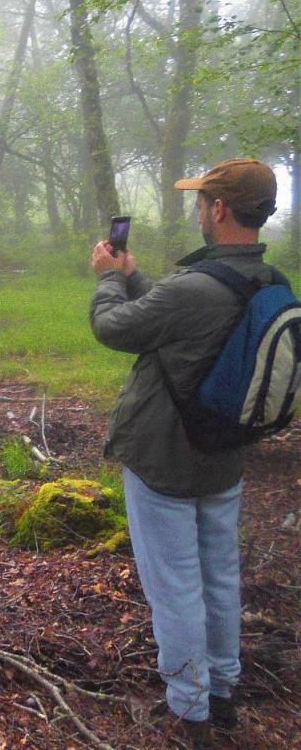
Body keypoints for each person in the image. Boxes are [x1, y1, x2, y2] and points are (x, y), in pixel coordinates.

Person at [88, 157, 280, 748]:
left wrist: (107, 278)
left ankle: (189, 712)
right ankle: (221, 690)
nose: (199, 210)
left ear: (218, 209)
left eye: (201, 202)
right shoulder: (268, 282)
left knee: (174, 586)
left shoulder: (196, 286)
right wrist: (139, 276)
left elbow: (114, 328)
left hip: (163, 459)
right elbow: (187, 320)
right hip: (223, 458)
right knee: (220, 576)